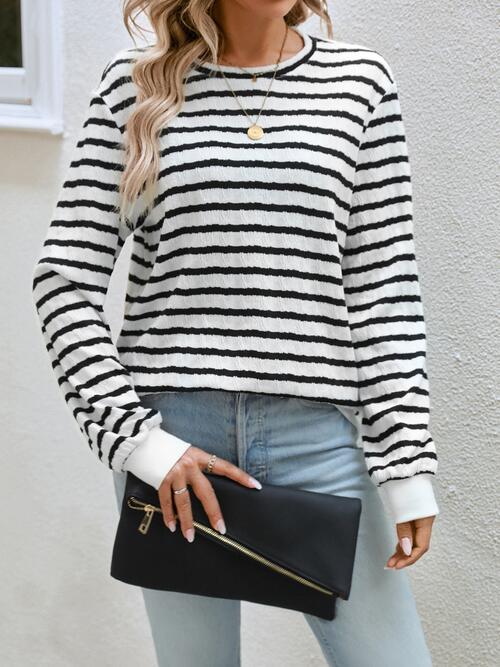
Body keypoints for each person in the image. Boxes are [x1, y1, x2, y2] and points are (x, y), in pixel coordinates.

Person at [31, 1, 440, 665]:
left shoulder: (360, 84)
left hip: (319, 440)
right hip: (174, 448)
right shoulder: (135, 85)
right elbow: (63, 281)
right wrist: (140, 443)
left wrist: (407, 462)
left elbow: (383, 291)